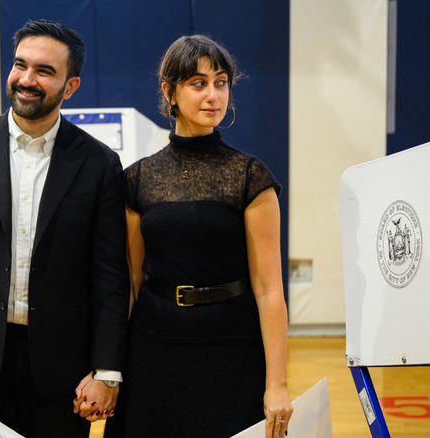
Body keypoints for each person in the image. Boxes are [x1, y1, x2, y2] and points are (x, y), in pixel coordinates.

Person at [0, 19, 129, 437]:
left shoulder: (99, 164)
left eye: (44, 71)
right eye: (21, 65)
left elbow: (110, 278)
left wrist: (107, 372)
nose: (26, 79)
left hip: (64, 369)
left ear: (70, 86)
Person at [106, 35, 293, 438]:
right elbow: (132, 283)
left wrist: (276, 383)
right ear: (169, 92)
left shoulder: (250, 177)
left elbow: (269, 290)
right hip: (154, 348)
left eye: (221, 82)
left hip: (232, 349)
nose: (213, 95)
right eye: (198, 83)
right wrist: (110, 370)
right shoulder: (138, 179)